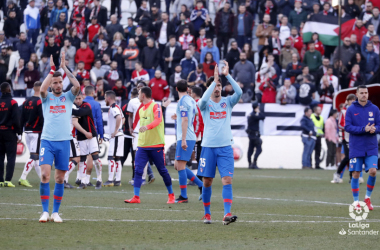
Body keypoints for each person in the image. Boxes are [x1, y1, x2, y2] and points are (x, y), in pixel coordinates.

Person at [197, 61, 242, 225]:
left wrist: (226, 75)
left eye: (219, 86)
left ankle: (226, 214)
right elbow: (202, 100)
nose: (217, 88)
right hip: (208, 148)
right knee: (207, 181)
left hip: (225, 148)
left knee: (227, 180)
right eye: (214, 86)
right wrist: (214, 80)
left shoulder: (228, 102)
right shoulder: (204, 104)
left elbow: (239, 91)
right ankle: (207, 214)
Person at [38, 53, 80, 223]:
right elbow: (41, 89)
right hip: (47, 141)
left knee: (60, 178)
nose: (57, 85)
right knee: (44, 176)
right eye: (54, 83)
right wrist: (52, 71)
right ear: (51, 84)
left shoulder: (68, 97)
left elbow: (76, 84)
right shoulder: (46, 98)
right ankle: (44, 212)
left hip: (64, 141)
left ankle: (55, 212)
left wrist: (63, 67)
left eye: (60, 82)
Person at [124, 87, 175, 204]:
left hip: (156, 145)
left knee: (162, 171)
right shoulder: (141, 109)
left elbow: (157, 120)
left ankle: (171, 195)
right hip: (142, 145)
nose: (138, 95)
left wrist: (147, 127)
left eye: (139, 93)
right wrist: (131, 130)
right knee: (138, 170)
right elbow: (136, 122)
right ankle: (136, 197)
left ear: (143, 95)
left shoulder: (156, 106)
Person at [345, 85, 380, 211]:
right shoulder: (351, 109)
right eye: (362, 93)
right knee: (356, 173)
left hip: (371, 147)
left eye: (366, 92)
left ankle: (367, 198)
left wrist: (375, 129)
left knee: (373, 171)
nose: (364, 95)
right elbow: (347, 127)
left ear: (368, 94)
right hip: (356, 147)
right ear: (357, 94)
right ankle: (356, 202)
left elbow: (379, 124)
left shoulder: (375, 109)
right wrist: (363, 129)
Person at [174, 80, 204, 203]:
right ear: (187, 88)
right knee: (177, 165)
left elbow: (185, 119)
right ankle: (201, 185)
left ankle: (184, 196)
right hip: (190, 135)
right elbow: (195, 113)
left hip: (185, 136)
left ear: (176, 89)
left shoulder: (182, 102)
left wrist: (184, 139)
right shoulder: (191, 100)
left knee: (180, 166)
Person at [71, 92, 102, 189]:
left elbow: (79, 113)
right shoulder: (74, 107)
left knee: (96, 158)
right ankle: (83, 181)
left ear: (82, 97)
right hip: (81, 137)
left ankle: (99, 179)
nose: (78, 101)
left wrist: (66, 108)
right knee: (82, 160)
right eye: (76, 99)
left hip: (91, 135)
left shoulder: (86, 105)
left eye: (79, 98)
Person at [18, 81, 43, 187]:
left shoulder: (26, 101)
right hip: (36, 132)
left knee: (35, 156)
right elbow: (42, 119)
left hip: (27, 131)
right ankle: (23, 177)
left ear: (33, 88)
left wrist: (20, 132)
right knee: (34, 156)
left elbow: (21, 118)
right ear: (41, 88)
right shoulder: (39, 102)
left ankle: (43, 179)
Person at [0, 82, 22, 188]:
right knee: (11, 157)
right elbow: (16, 120)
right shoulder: (13, 102)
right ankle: (8, 180)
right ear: (9, 90)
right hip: (10, 132)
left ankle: (0, 180)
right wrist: (19, 133)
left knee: (0, 157)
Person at [332, 94, 356, 183]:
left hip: (355, 137)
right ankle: (338, 174)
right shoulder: (344, 111)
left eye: (354, 100)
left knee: (353, 157)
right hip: (346, 137)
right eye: (351, 100)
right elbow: (340, 125)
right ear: (348, 101)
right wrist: (350, 127)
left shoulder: (357, 110)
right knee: (348, 157)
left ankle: (351, 178)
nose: (352, 101)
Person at [103, 91, 125, 187]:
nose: (104, 100)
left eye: (105, 98)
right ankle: (118, 180)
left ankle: (110, 179)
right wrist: (119, 128)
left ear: (108, 98)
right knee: (117, 158)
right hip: (119, 135)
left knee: (111, 157)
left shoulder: (113, 108)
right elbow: (123, 118)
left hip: (116, 136)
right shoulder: (117, 107)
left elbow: (119, 117)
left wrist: (116, 131)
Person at [246, 103, 265, 169]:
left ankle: (250, 164)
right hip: (254, 135)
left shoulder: (251, 114)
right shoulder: (254, 115)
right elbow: (263, 117)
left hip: (251, 135)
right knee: (259, 149)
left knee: (250, 149)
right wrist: (258, 112)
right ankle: (254, 163)